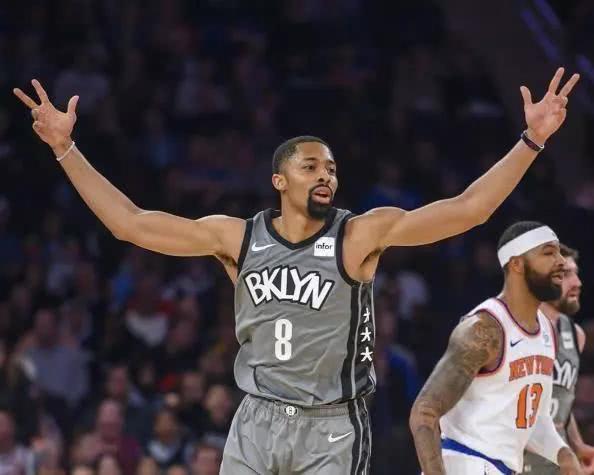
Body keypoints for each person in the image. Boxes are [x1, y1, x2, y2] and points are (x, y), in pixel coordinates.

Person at [13, 68, 579, 474]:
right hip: (256, 418)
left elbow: (468, 209)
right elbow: (130, 224)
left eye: (331, 168)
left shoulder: (358, 236)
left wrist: (531, 140)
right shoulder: (235, 237)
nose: (326, 175)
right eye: (311, 166)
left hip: (331, 425)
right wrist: (66, 149)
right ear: (279, 180)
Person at [409, 221, 583, 474]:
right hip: (465, 462)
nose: (561, 262)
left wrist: (564, 455)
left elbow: (534, 420)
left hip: (502, 467)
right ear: (517, 264)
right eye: (549, 253)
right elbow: (424, 412)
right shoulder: (484, 330)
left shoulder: (546, 330)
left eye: (559, 253)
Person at [522, 244, 594, 474]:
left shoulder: (576, 335)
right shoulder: (514, 329)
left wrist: (578, 445)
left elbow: (563, 401)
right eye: (566, 274)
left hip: (554, 459)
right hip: (513, 457)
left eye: (576, 273)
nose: (577, 282)